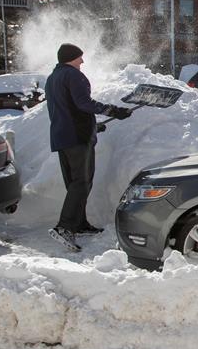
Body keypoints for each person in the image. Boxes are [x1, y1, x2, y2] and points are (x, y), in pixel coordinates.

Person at [45, 43, 133, 252]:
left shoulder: (52, 78)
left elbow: (68, 108)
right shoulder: (74, 75)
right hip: (77, 138)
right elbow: (83, 103)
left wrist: (93, 125)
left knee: (75, 182)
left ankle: (79, 224)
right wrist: (113, 110)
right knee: (82, 182)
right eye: (79, 57)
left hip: (62, 136)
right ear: (71, 58)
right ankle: (64, 227)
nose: (82, 61)